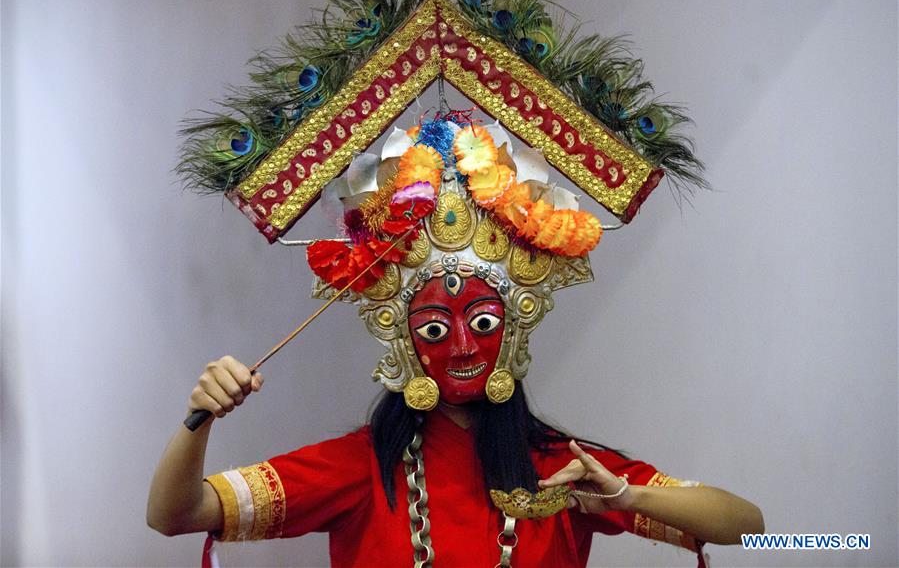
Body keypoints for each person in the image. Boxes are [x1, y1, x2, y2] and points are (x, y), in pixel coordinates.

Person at [148, 118, 764, 567]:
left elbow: (756, 529)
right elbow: (174, 514)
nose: (465, 345)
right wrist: (200, 418)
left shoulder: (564, 472)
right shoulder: (362, 469)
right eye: (436, 328)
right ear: (404, 340)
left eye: (485, 321)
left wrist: (625, 496)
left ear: (516, 323)